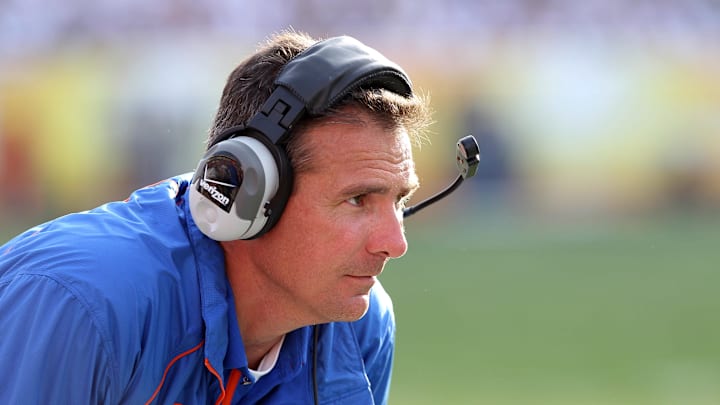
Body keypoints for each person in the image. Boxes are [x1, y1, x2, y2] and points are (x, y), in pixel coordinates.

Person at [0, 30, 432, 404]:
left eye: (397, 201)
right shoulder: (81, 306)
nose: (395, 243)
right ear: (245, 191)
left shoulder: (357, 325)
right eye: (358, 199)